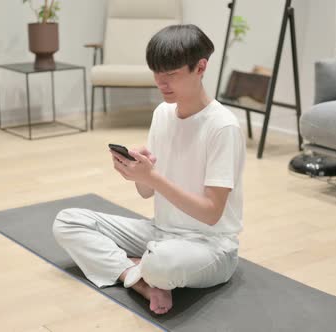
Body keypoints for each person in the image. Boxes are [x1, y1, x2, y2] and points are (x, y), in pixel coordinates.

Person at [53, 24, 245, 315]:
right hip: (160, 232)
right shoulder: (163, 114)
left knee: (161, 262)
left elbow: (211, 212)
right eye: (157, 73)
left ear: (200, 67)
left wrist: (152, 177)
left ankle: (141, 269)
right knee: (67, 221)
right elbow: (146, 192)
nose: (161, 82)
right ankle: (140, 280)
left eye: (171, 74)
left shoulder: (222, 127)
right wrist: (136, 174)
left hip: (211, 246)